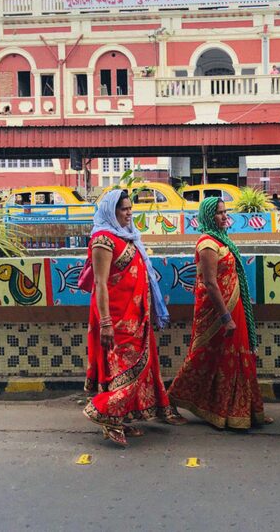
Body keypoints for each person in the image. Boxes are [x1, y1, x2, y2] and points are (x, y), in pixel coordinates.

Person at [83, 189, 186, 447]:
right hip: (116, 320)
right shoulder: (103, 240)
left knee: (132, 370)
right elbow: (101, 283)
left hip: (136, 317)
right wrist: (105, 323)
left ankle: (121, 419)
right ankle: (106, 414)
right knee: (119, 370)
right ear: (111, 211)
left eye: (130, 208)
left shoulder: (128, 237)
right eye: (124, 209)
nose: (130, 212)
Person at [168, 197, 271, 429]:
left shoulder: (223, 241)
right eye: (219, 213)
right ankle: (171, 398)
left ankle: (245, 410)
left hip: (235, 307)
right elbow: (210, 283)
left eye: (225, 212)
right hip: (217, 312)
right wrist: (225, 317)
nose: (225, 216)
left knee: (237, 357)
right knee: (203, 356)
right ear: (208, 217)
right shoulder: (207, 244)